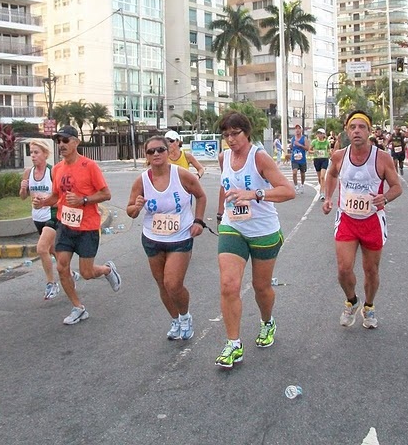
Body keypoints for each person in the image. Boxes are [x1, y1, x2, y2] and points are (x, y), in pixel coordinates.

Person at [214, 111, 295, 368]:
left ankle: (267, 321)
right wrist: (220, 213)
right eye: (226, 135)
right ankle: (233, 344)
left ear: (246, 132)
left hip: (263, 229)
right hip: (233, 226)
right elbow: (225, 186)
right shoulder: (223, 157)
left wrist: (254, 193)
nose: (230, 139)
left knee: (261, 288)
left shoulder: (259, 157)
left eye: (235, 133)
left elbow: (287, 191)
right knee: (228, 284)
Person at [33, 125, 121, 325]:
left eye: (65, 140)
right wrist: (43, 201)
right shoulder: (57, 169)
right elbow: (56, 196)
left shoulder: (89, 166)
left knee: (87, 273)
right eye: (58, 141)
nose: (61, 145)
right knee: (62, 267)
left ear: (76, 142)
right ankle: (78, 308)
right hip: (65, 226)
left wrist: (83, 200)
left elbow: (106, 194)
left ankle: (107, 270)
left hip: (87, 227)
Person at [322, 111, 402, 330]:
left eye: (361, 127)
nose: (356, 131)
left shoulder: (382, 158)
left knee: (371, 270)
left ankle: (369, 305)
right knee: (343, 269)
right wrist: (327, 197)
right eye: (352, 127)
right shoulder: (339, 156)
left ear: (369, 131)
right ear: (347, 131)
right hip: (347, 218)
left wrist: (384, 197)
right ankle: (352, 300)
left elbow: (397, 187)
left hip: (372, 220)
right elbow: (331, 175)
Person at [126, 136, 207, 341]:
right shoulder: (142, 180)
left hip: (180, 238)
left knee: (173, 283)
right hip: (152, 238)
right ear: (146, 156)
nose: (156, 154)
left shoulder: (182, 175)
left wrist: (198, 221)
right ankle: (175, 319)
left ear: (168, 151)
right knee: (162, 284)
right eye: (150, 151)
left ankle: (185, 316)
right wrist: (136, 206)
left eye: (160, 149)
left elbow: (201, 195)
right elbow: (131, 211)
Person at [20, 140, 80, 300]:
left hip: (52, 215)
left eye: (36, 152)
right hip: (37, 216)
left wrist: (46, 199)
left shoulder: (53, 172)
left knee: (41, 249)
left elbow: (61, 195)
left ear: (45, 154)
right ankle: (71, 274)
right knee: (53, 251)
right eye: (31, 152)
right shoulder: (28, 172)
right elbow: (23, 197)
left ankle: (51, 283)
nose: (33, 156)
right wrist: (23, 188)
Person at [310, 128, 331, 200]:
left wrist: (329, 154)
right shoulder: (314, 142)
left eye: (321, 133)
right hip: (317, 159)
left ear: (323, 134)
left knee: (322, 177)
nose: (319, 134)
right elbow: (310, 150)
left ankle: (322, 193)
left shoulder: (327, 142)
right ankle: (321, 187)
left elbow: (329, 150)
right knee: (319, 178)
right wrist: (314, 152)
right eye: (318, 133)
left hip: (324, 159)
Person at [290, 124, 309, 193]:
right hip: (294, 159)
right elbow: (291, 148)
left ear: (301, 130)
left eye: (299, 128)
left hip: (302, 159)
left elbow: (307, 148)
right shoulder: (293, 139)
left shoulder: (304, 138)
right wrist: (291, 146)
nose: (297, 130)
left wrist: (300, 145)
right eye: (296, 129)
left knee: (302, 173)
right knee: (294, 172)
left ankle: (302, 184)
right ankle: (296, 186)